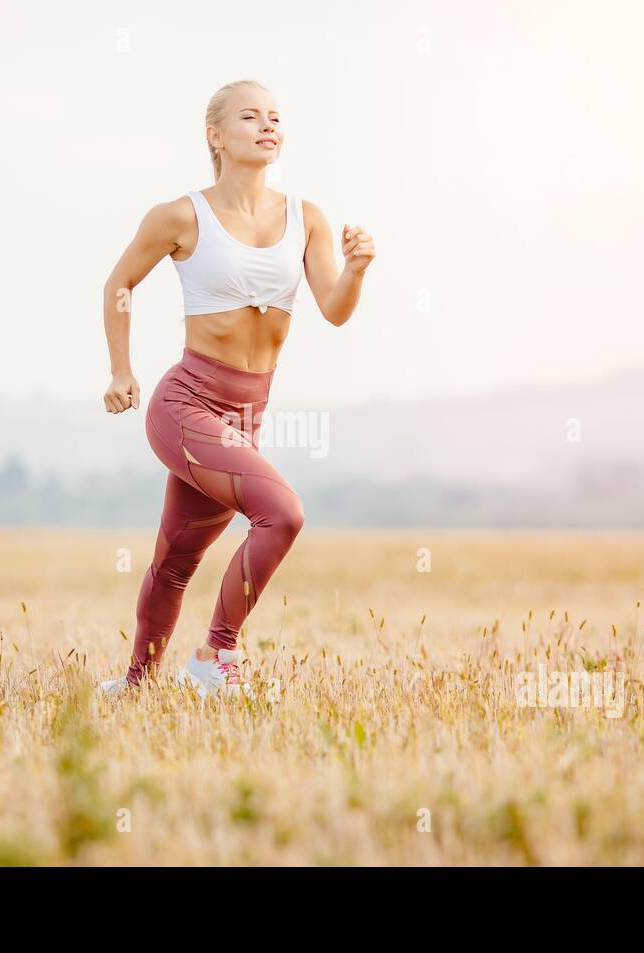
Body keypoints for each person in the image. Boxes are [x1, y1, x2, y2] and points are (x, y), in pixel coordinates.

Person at [98, 79, 375, 697]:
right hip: (185, 403)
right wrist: (122, 370)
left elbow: (334, 308)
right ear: (216, 135)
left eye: (275, 117)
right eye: (250, 117)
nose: (267, 126)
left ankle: (136, 687)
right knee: (282, 514)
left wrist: (354, 271)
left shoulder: (307, 218)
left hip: (246, 412)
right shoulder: (180, 215)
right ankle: (215, 656)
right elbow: (119, 282)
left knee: (176, 560)